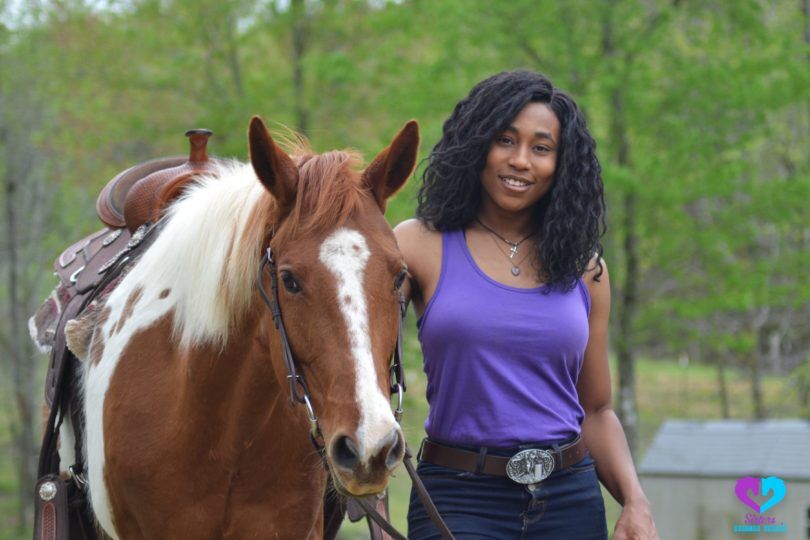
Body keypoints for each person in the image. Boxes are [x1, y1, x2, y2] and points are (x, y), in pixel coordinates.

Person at [395, 70, 658, 539]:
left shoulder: (586, 269)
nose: (520, 161)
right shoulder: (418, 244)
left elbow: (596, 410)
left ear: (562, 163)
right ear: (477, 146)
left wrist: (635, 502)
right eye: (504, 140)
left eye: (541, 148)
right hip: (458, 497)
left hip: (569, 499)